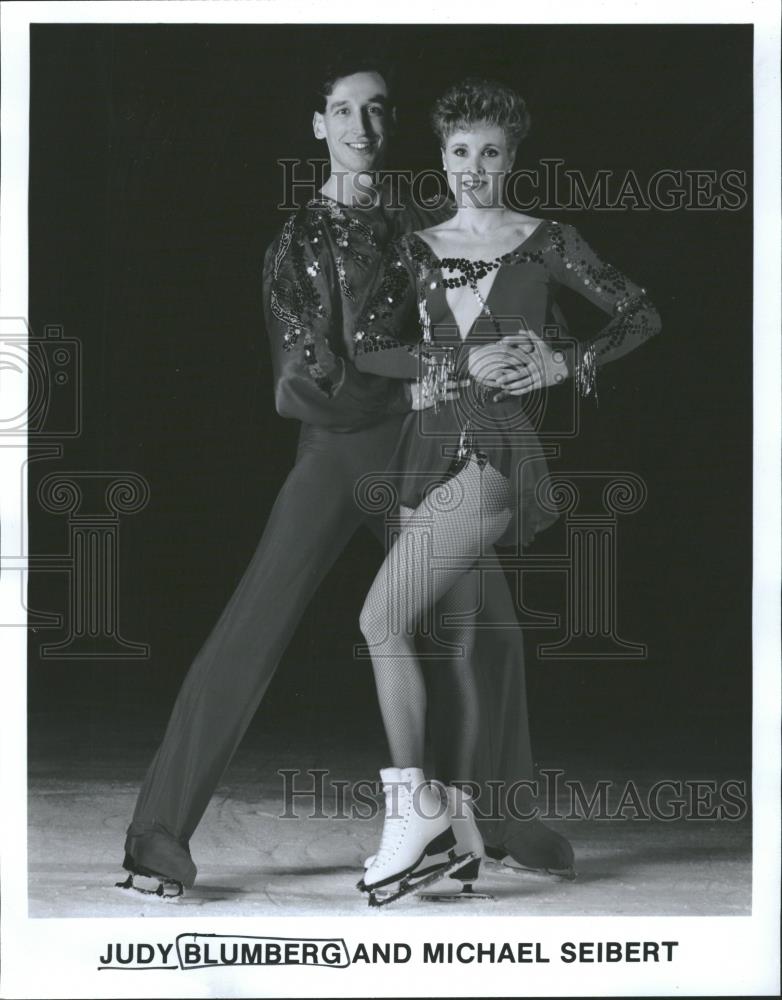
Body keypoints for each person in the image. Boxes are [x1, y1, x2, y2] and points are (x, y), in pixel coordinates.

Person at [118, 58, 574, 900]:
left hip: (423, 448)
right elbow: (299, 378)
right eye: (344, 112)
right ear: (318, 126)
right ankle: (156, 835)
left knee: (490, 624)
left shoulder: (418, 222)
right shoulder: (298, 239)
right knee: (254, 624)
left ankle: (504, 818)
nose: (364, 128)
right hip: (337, 450)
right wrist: (408, 383)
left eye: (377, 112)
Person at [352, 77, 662, 900]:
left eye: (491, 153)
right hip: (421, 454)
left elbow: (638, 312)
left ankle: (410, 807)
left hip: (494, 452)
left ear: (514, 158)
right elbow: (370, 347)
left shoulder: (547, 238)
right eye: (460, 153)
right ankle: (461, 831)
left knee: (380, 618)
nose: (474, 169)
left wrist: (566, 360)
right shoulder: (415, 242)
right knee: (457, 644)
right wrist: (443, 365)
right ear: (443, 157)